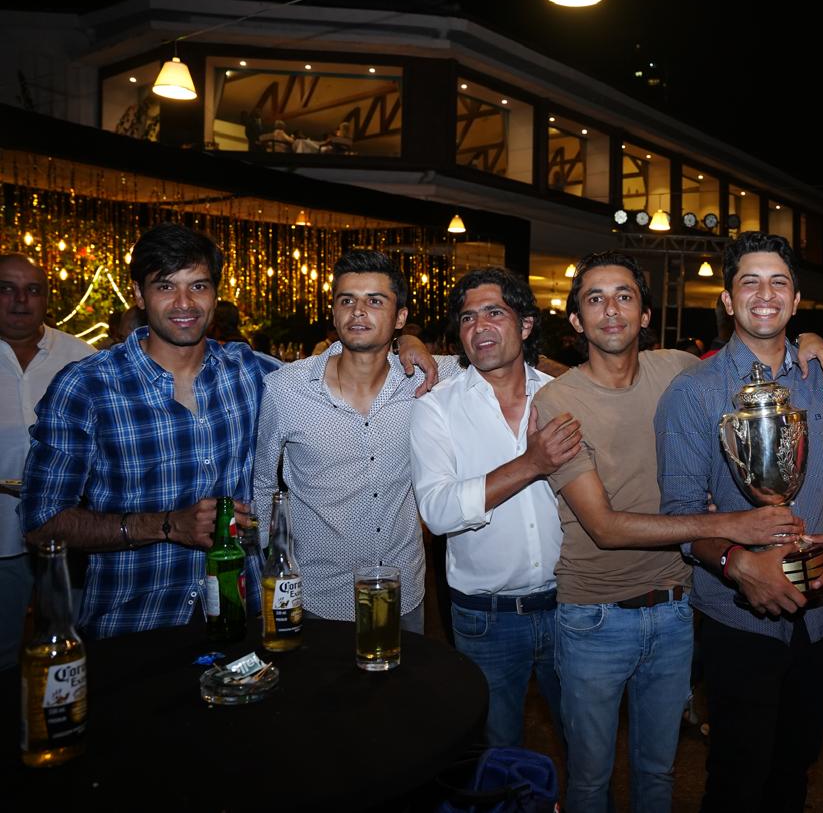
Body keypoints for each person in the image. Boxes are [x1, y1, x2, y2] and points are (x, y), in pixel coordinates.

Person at [532, 250, 823, 813]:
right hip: (595, 614)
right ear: (575, 320)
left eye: (624, 296)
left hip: (675, 606)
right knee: (591, 780)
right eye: (594, 299)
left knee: (659, 773)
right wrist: (730, 525)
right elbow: (604, 527)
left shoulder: (675, 369)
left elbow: (759, 343)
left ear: (646, 314)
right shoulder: (557, 400)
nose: (611, 310)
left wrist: (810, 340)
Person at [656, 232, 823, 813]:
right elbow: (681, 514)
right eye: (749, 281)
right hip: (738, 614)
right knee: (735, 777)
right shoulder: (694, 392)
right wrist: (738, 563)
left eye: (779, 282)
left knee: (794, 770)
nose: (765, 294)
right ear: (728, 300)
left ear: (797, 300)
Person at [20, 224, 269, 639]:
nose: (184, 303)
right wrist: (166, 525)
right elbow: (41, 521)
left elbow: (338, 375)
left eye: (198, 286)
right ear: (138, 294)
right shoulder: (87, 386)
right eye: (165, 286)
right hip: (134, 626)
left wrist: (396, 340)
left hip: (242, 619)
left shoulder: (249, 371)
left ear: (215, 294)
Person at [410, 267, 581, 747]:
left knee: (586, 750)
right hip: (485, 619)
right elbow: (438, 511)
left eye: (494, 313)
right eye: (468, 318)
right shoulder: (436, 407)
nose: (479, 326)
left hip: (572, 607)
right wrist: (531, 464)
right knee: (494, 756)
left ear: (525, 325)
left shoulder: (564, 396)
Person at [253, 250, 460, 634]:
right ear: (334, 314)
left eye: (375, 301)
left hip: (402, 593)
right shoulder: (286, 388)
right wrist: (271, 573)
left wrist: (411, 340)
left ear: (400, 317)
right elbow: (263, 484)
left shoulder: (426, 377)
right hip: (317, 597)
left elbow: (503, 363)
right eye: (346, 300)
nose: (358, 311)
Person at [0, 253, 95, 668]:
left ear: (46, 299)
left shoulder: (80, 357)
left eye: (32, 290)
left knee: (72, 647)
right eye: (7, 289)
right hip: (1, 532)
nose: (20, 300)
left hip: (70, 531)